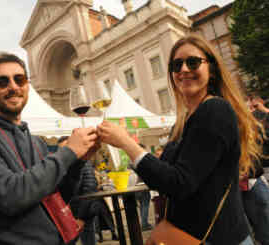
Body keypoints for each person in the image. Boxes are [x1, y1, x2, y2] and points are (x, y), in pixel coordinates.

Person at [97, 34, 264, 244]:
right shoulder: (183, 120)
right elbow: (163, 177)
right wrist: (133, 143)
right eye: (177, 65)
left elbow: (179, 183)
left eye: (193, 62)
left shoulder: (215, 109)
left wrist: (126, 144)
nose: (184, 69)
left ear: (211, 70)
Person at [0, 52, 99, 245]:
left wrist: (78, 161)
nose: (13, 87)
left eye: (19, 79)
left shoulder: (36, 142)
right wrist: (68, 153)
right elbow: (10, 196)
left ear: (27, 86)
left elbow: (57, 196)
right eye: (2, 81)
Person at [57, 136, 98, 245]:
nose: (64, 152)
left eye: (66, 148)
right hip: (69, 214)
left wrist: (82, 217)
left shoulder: (83, 163)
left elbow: (89, 190)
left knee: (88, 241)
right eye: (61, 150)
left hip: (83, 213)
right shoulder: (63, 166)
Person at [240, 95, 269, 245]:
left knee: (265, 229)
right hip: (233, 189)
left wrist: (264, 110)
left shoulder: (252, 125)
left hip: (253, 182)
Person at [135, 144, 153, 231]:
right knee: (145, 205)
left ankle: (143, 222)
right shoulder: (141, 160)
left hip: (134, 188)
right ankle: (144, 224)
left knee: (142, 205)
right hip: (142, 186)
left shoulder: (131, 160)